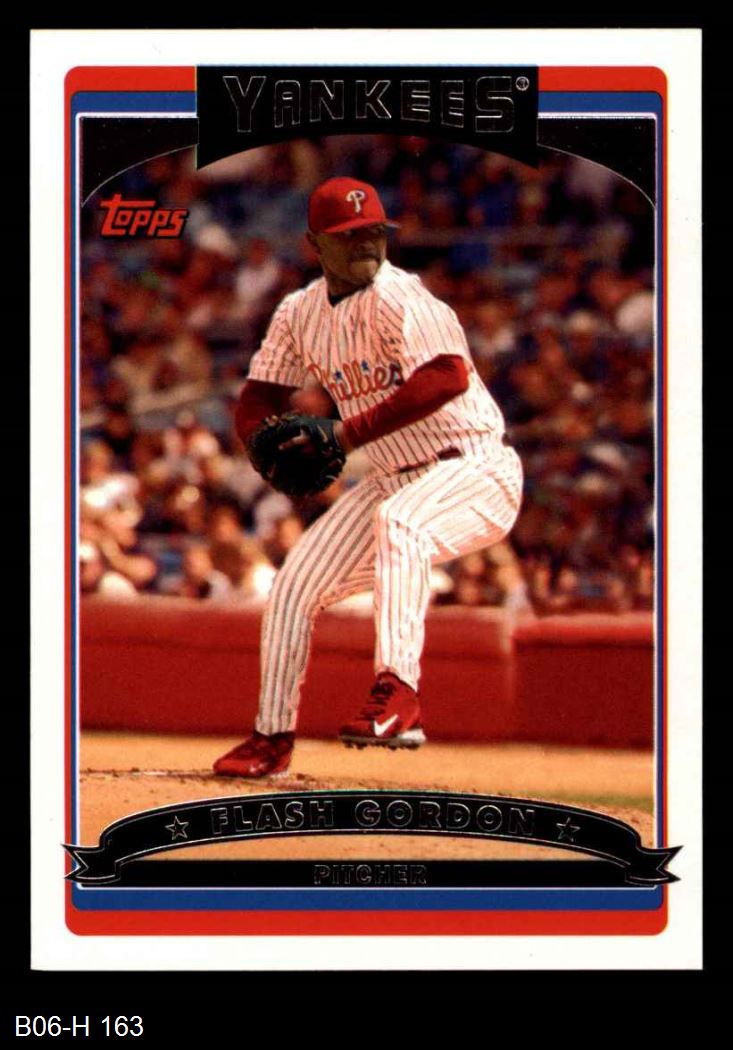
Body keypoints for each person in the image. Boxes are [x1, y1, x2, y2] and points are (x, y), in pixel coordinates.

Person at [213, 176, 523, 778]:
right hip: (390, 477)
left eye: (373, 232)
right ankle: (270, 738)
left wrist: (346, 435)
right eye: (348, 235)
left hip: (474, 466)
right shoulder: (299, 313)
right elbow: (258, 397)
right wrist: (258, 446)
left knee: (400, 522)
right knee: (293, 585)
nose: (364, 244)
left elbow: (448, 375)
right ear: (314, 244)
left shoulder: (403, 298)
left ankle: (399, 693)